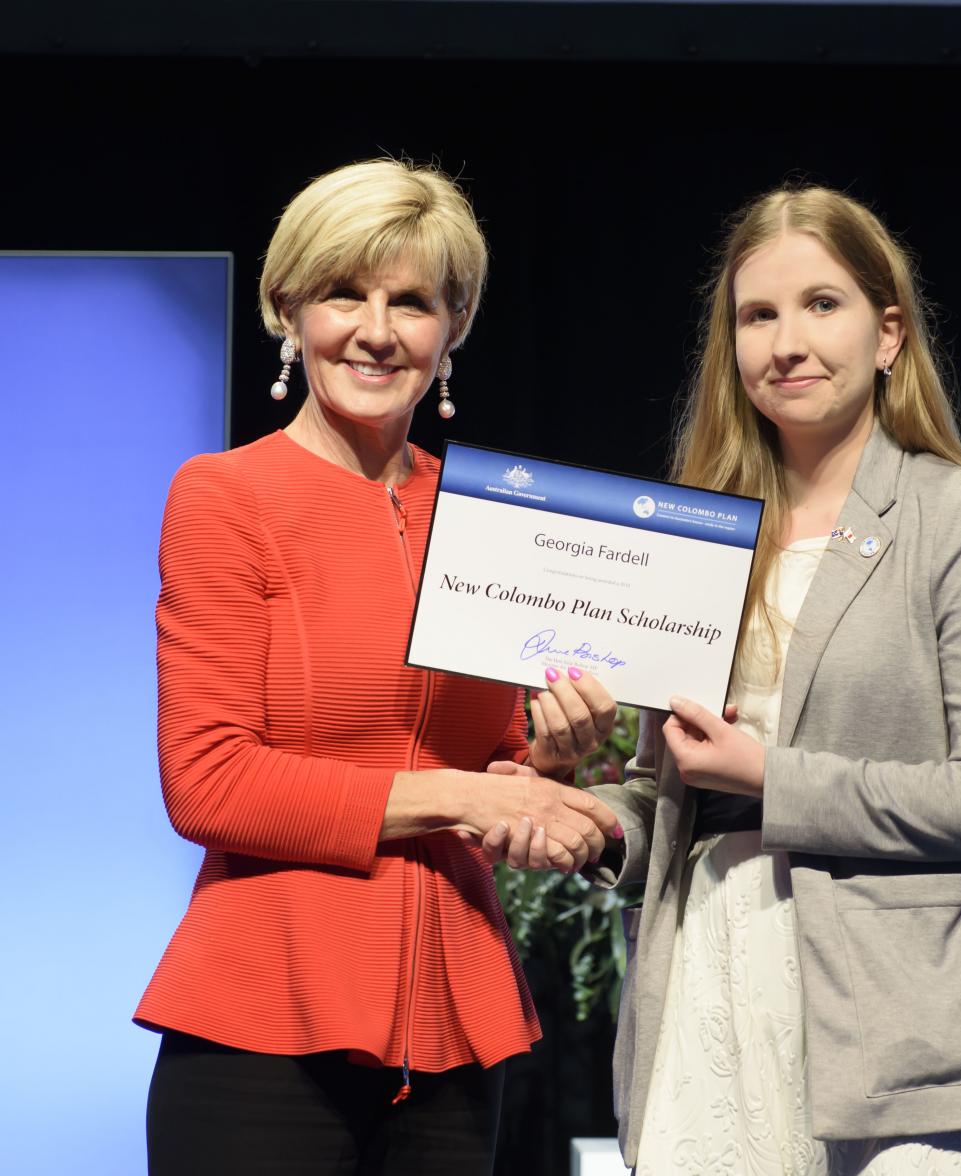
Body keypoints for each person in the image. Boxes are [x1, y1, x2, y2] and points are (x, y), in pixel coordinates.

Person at [489, 184, 961, 1174]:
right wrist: (590, 826)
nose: (787, 342)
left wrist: (771, 776)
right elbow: (671, 790)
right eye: (758, 315)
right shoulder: (696, 531)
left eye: (821, 305)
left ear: (889, 334)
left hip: (910, 1031)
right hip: (714, 980)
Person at [135, 158, 621, 1176]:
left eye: (411, 302)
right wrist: (458, 797)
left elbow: (492, 768)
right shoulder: (225, 497)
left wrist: (551, 766)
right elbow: (208, 781)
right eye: (343, 294)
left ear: (455, 325)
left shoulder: (493, 520)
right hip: (263, 1021)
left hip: (453, 1024)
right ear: (286, 307)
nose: (376, 328)